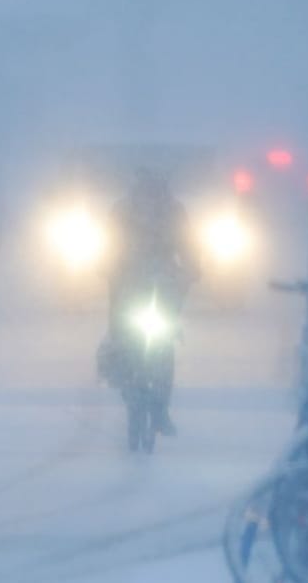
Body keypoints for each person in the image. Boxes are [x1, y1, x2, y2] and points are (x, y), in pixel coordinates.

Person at [98, 168, 198, 436]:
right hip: (126, 284)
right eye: (145, 191)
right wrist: (108, 268)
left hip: (163, 286)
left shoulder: (175, 212)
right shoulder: (121, 212)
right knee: (120, 335)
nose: (149, 198)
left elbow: (190, 248)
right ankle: (119, 374)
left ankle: (161, 410)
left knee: (164, 345)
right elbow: (107, 247)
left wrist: (190, 271)